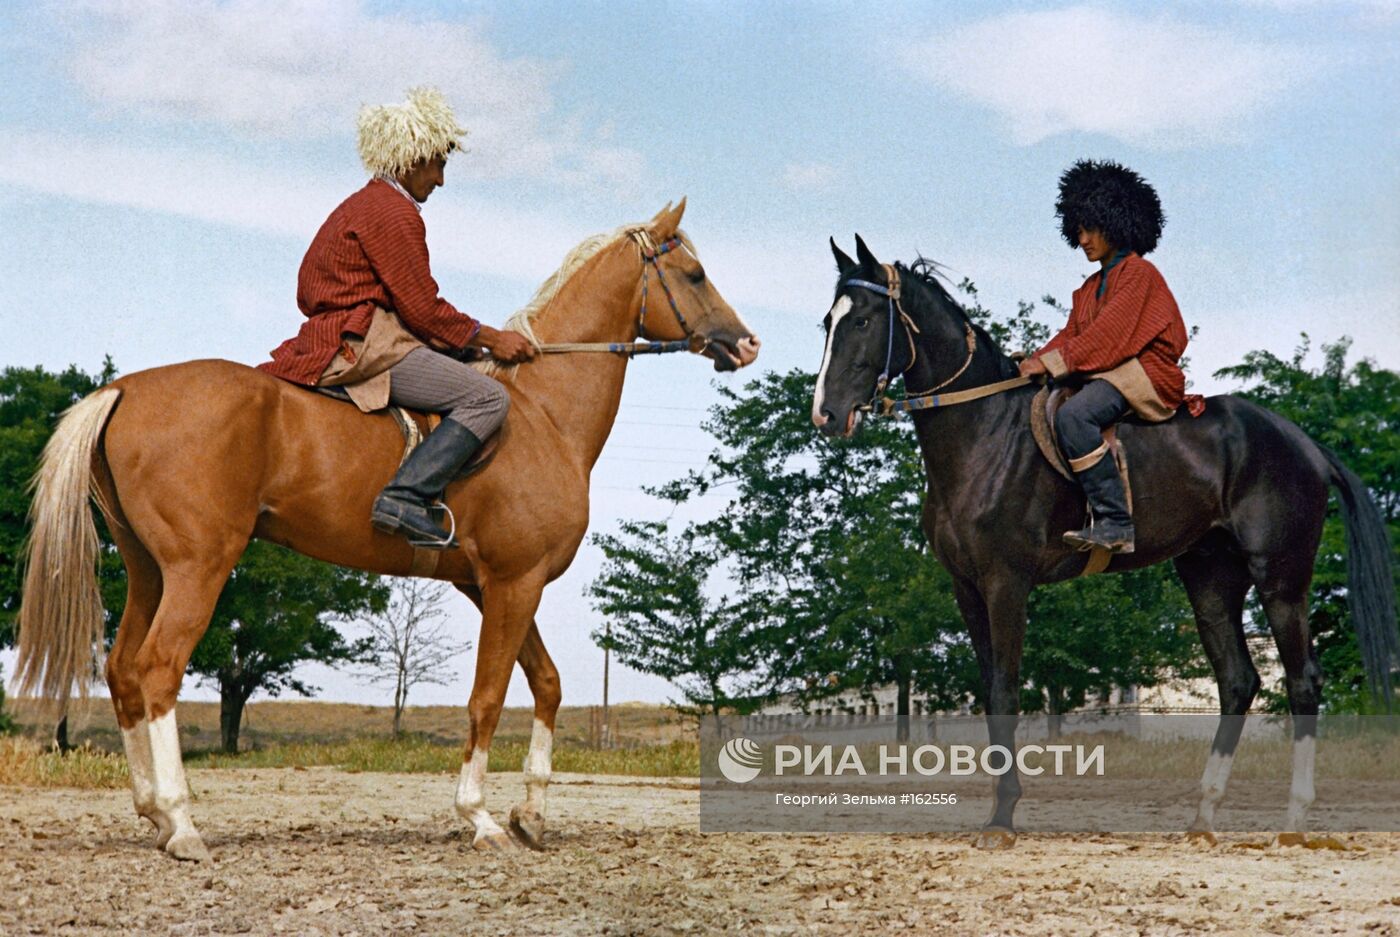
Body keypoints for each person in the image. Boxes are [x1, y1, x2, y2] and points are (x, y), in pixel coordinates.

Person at [258, 87, 535, 549]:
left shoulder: (358, 204)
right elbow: (422, 307)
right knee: (488, 398)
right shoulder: (394, 212)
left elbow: (311, 289)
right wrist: (487, 338)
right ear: (412, 158)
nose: (441, 180)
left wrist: (459, 343)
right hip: (366, 341)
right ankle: (406, 496)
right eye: (439, 164)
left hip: (332, 334)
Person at [1018, 160, 1204, 554]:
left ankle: (1115, 523)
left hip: (1145, 373)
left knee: (1075, 414)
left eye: (1090, 229)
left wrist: (1051, 364)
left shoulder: (1139, 274)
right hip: (1109, 372)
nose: (1083, 239)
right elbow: (1070, 336)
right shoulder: (1088, 289)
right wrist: (1031, 361)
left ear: (1115, 223)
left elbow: (1108, 340)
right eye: (1078, 231)